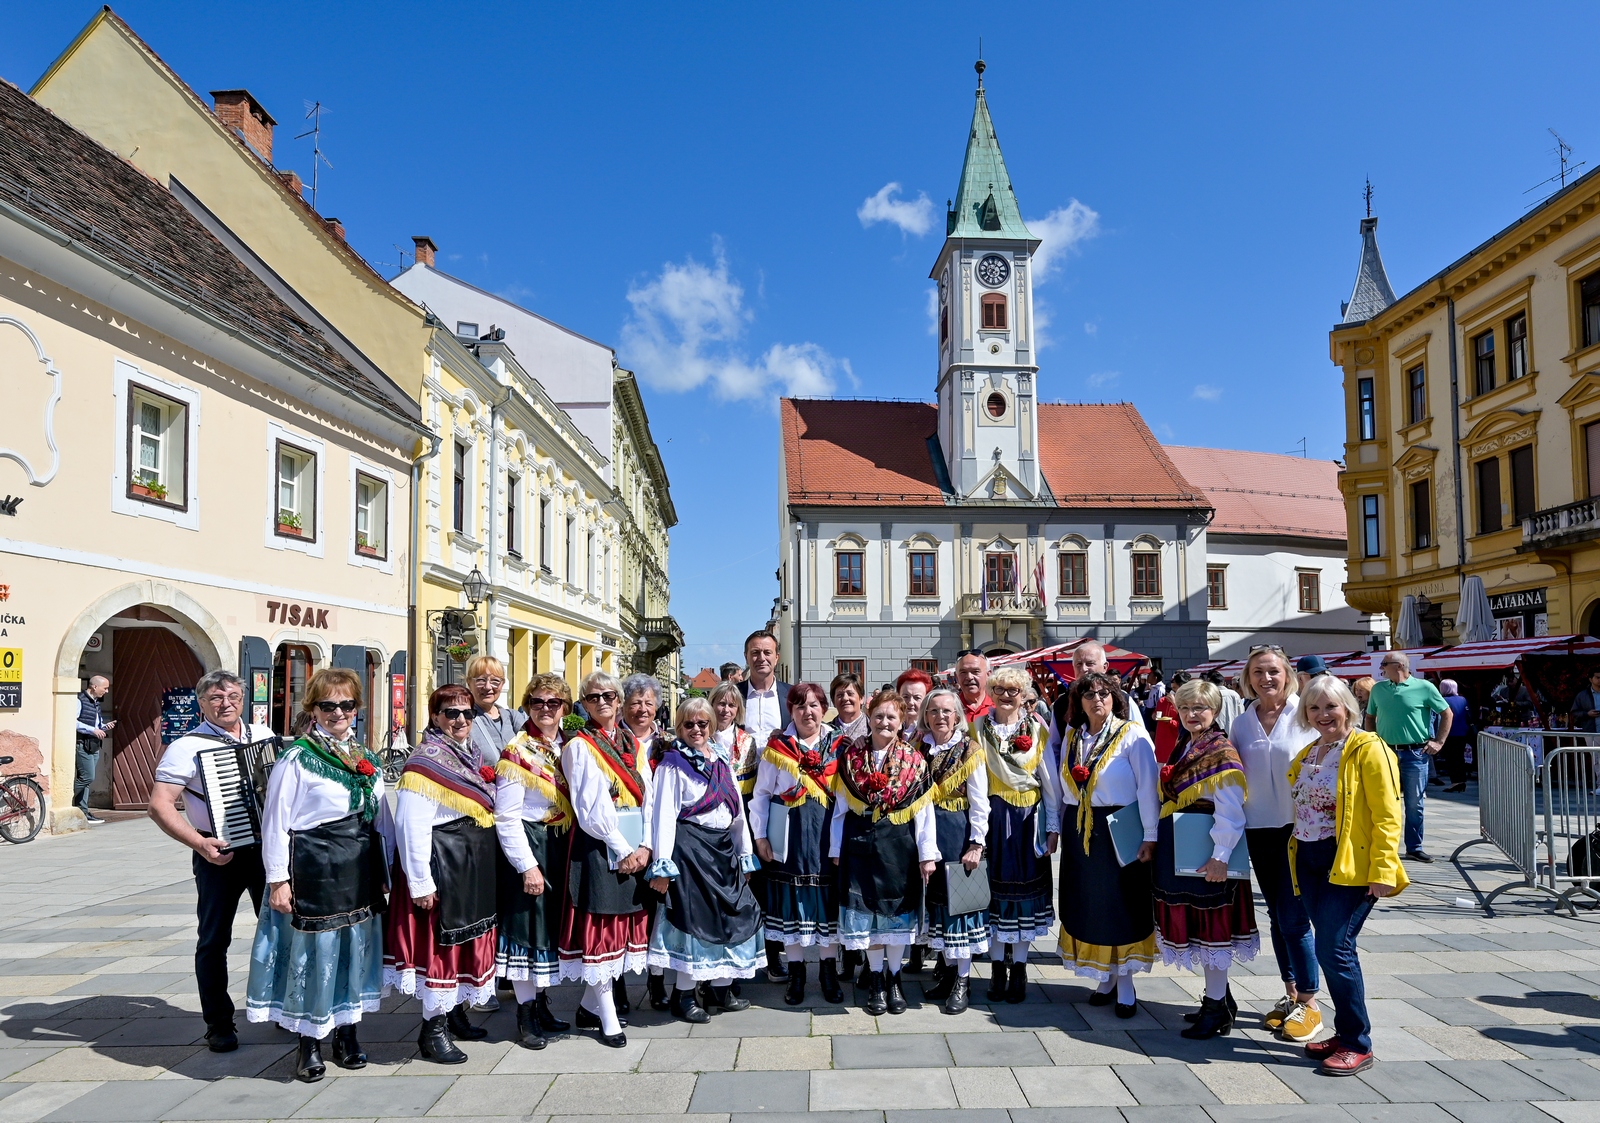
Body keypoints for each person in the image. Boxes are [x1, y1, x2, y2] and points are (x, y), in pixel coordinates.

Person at [246, 668, 386, 1082]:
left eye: (346, 704)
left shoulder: (365, 757)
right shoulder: (298, 758)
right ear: (313, 709)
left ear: (357, 709)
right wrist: (278, 880)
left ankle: (347, 1034)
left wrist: (386, 870)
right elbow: (275, 822)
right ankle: (308, 1043)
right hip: (316, 867)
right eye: (328, 705)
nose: (338, 712)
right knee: (314, 956)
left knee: (353, 952)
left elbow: (380, 820)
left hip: (358, 868)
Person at [148, 670, 275, 1052]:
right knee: (214, 938)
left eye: (233, 696)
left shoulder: (263, 735)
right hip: (217, 852)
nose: (226, 704)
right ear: (202, 703)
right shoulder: (186, 746)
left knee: (281, 932)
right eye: (216, 698)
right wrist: (200, 844)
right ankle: (218, 1023)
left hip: (267, 850)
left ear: (243, 699)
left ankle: (283, 1008)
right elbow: (159, 805)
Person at [1289, 674, 1408, 1077]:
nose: (1323, 714)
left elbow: (1388, 813)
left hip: (1348, 863)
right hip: (1308, 859)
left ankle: (1358, 1043)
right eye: (1314, 707)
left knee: (1334, 949)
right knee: (1330, 949)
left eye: (1331, 706)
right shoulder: (1311, 751)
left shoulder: (1368, 748)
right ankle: (1344, 1034)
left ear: (1348, 708)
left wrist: (1383, 869)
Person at [386, 685, 500, 1064]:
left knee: (465, 943)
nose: (461, 720)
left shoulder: (470, 754)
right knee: (441, 952)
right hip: (442, 865)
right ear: (435, 717)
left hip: (469, 865)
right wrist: (420, 882)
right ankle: (432, 1031)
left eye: (468, 713)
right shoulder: (426, 762)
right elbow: (410, 824)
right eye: (451, 713)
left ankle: (454, 1013)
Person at [1152, 679, 1258, 1039]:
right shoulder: (1189, 744)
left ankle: (1215, 1011)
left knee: (1213, 931)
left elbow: (1231, 811)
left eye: (1199, 708)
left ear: (1214, 710)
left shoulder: (1220, 752)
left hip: (1207, 853)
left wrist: (1220, 856)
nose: (1191, 714)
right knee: (1200, 929)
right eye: (1184, 708)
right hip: (1185, 848)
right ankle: (1220, 1001)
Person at [646, 698, 763, 1022]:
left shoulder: (721, 758)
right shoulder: (672, 763)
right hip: (691, 852)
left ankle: (719, 990)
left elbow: (737, 811)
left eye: (702, 723)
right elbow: (663, 816)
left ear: (711, 725)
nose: (696, 729)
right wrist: (663, 863)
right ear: (679, 727)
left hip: (723, 850)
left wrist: (744, 852)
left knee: (733, 916)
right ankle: (683, 995)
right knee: (695, 923)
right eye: (689, 724)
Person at [1056, 671, 1159, 1017]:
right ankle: (1107, 978)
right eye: (1089, 695)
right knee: (1091, 905)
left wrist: (1150, 835)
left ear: (1115, 698)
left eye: (1104, 693)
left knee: (1122, 904)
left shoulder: (1132, 734)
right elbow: (1064, 787)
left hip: (1120, 824)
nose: (1097, 700)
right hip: (1082, 828)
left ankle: (1126, 983)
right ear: (1079, 702)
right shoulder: (1073, 736)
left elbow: (1148, 786)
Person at [1232, 645, 1320, 1042]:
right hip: (1258, 828)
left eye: (1273, 671)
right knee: (1276, 915)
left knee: (1295, 918)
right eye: (1257, 672)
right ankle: (1291, 994)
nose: (1266, 678)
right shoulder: (1242, 721)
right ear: (1247, 679)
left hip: (1299, 828)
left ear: (1288, 674)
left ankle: (1311, 1004)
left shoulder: (1305, 713)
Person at [559, 671, 652, 1048]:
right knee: (603, 933)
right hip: (599, 847)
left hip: (634, 846)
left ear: (619, 699)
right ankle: (608, 1017)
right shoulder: (580, 746)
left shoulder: (632, 743)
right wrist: (623, 848)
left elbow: (649, 796)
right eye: (593, 697)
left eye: (609, 695)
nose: (602, 702)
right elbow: (589, 809)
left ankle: (587, 1007)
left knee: (622, 930)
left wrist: (646, 846)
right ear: (583, 703)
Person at [829, 689, 936, 1015]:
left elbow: (924, 812)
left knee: (895, 918)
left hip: (898, 847)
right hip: (860, 843)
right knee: (869, 918)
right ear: (869, 717)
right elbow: (840, 809)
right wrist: (835, 847)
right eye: (879, 716)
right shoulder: (852, 758)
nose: (885, 722)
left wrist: (927, 854)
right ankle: (875, 979)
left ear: (901, 721)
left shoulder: (914, 760)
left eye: (891, 716)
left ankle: (895, 979)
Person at [494, 672, 575, 1050]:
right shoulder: (518, 750)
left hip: (558, 844)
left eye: (553, 702)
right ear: (527, 706)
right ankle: (525, 1015)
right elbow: (506, 816)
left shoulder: (567, 744)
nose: (545, 709)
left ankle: (541, 1005)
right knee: (526, 933)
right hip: (530, 844)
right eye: (537, 702)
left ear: (565, 708)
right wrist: (526, 865)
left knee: (546, 932)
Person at [750, 682, 844, 1005]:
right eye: (800, 706)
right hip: (788, 837)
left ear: (824, 709)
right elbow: (761, 795)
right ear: (790, 711)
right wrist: (760, 836)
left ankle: (828, 973)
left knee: (826, 907)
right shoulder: (778, 747)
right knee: (791, 906)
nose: (808, 712)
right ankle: (797, 974)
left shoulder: (839, 746)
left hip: (826, 835)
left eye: (814, 705)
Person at [973, 666, 1057, 1003]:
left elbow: (1049, 781)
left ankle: (1019, 968)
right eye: (1000, 690)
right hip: (994, 817)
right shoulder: (978, 728)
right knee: (994, 895)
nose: (1006, 696)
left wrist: (1052, 827)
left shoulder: (1036, 728)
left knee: (1025, 898)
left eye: (1014, 691)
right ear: (991, 693)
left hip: (1027, 820)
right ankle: (997, 968)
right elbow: (975, 779)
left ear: (1024, 696)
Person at [916, 688, 989, 1015]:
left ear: (957, 715)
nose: (940, 717)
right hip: (926, 834)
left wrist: (976, 843)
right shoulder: (918, 748)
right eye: (934, 711)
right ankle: (947, 974)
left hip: (957, 834)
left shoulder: (969, 749)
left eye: (946, 711)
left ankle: (963, 979)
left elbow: (980, 801)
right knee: (938, 909)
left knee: (960, 909)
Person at [1364, 650, 1450, 863]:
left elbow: (1447, 713)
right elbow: (1370, 717)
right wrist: (1371, 741)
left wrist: (1439, 742)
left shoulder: (1424, 687)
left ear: (1399, 665)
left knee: (1414, 803)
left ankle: (1414, 847)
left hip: (1415, 753)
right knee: (1382, 801)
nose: (1381, 668)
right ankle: (1383, 846)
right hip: (1385, 752)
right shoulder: (1378, 689)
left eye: (1384, 664)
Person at [466, 656, 520, 769]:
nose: (488, 687)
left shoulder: (512, 717)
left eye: (495, 681)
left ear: (502, 684)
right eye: (481, 680)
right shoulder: (464, 720)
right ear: (469, 682)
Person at [73, 675, 114, 824]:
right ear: (95, 687)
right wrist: (92, 730)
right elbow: (72, 722)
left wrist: (103, 727)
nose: (107, 691)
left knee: (87, 781)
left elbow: (95, 724)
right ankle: (64, 799)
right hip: (83, 744)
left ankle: (83, 811)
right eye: (105, 688)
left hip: (94, 744)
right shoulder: (79, 700)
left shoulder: (95, 702)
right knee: (87, 777)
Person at [710, 682, 760, 797]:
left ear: (738, 709)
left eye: (731, 705)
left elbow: (750, 786)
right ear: (712, 704)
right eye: (722, 704)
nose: (726, 710)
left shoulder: (748, 742)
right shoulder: (701, 738)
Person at [1438, 680, 1474, 793]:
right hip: (1463, 732)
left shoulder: (1442, 700)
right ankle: (1461, 780)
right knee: (1459, 757)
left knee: (1451, 758)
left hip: (1449, 732)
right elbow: (1468, 715)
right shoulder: (1463, 699)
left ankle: (1455, 782)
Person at [1151, 671, 1186, 763]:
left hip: (1174, 738)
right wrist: (1154, 716)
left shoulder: (1183, 702)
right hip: (1161, 738)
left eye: (1174, 689)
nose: (1171, 692)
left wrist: (1170, 721)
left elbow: (1183, 722)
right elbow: (1155, 713)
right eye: (1170, 689)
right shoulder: (1162, 701)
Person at [955, 650, 993, 724]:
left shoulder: (999, 706)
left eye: (975, 671)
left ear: (988, 675)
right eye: (963, 672)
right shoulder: (950, 708)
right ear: (956, 677)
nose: (969, 677)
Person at [897, 669, 933, 741]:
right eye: (905, 697)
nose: (911, 702)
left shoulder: (931, 731)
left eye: (917, 698)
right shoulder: (891, 726)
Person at [829, 672, 867, 740]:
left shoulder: (872, 730)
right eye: (840, 695)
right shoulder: (825, 732)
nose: (845, 698)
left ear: (861, 698)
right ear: (833, 701)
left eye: (850, 694)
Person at [1571, 669, 1600, 734]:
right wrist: (1587, 714)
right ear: (1590, 679)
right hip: (1590, 732)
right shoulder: (1583, 695)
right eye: (1598, 678)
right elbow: (1574, 712)